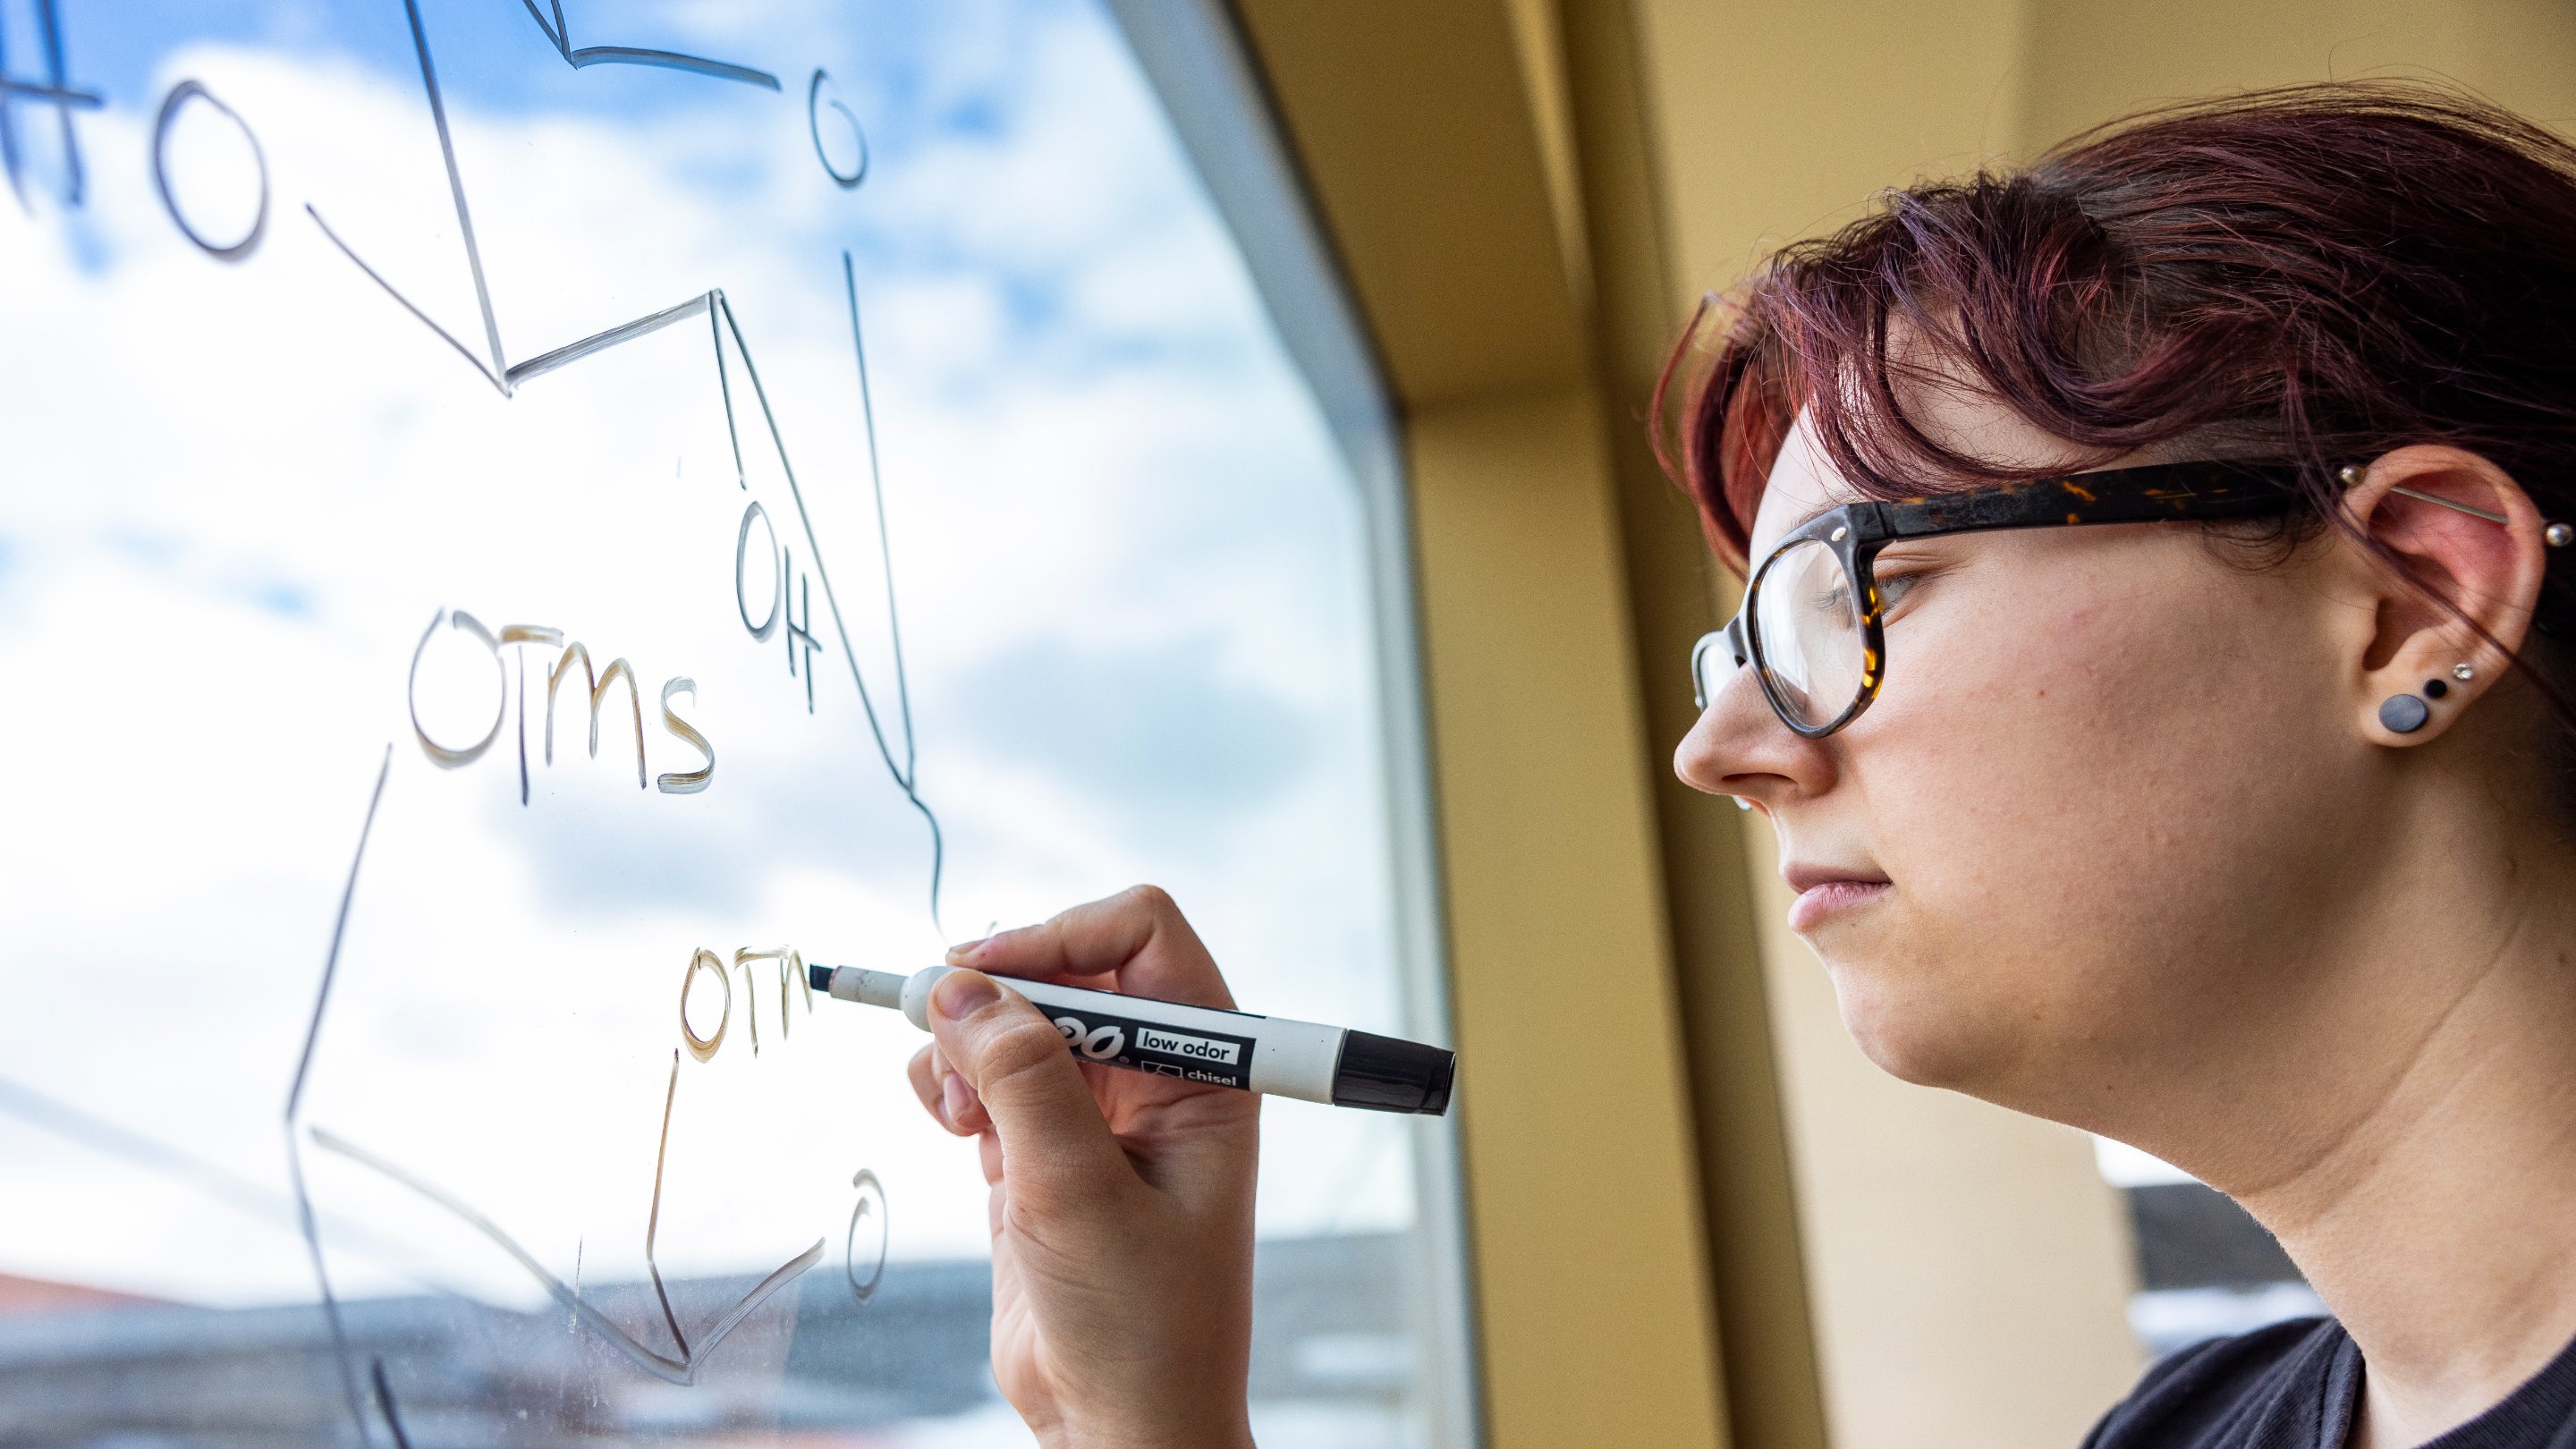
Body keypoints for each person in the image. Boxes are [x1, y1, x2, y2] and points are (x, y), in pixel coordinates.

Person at [906, 83, 2576, 1449]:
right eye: (1739, 651)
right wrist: (1147, 1419)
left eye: (1862, 590)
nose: (1721, 749)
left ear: (2411, 603)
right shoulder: (2189, 1428)